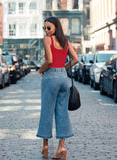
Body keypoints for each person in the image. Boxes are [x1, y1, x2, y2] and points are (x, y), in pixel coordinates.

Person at [36, 17, 79, 159]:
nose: (46, 31)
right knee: (62, 112)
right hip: (63, 78)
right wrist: (63, 69)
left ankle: (46, 145)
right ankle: (61, 147)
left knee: (47, 111)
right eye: (45, 28)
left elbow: (49, 60)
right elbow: (76, 59)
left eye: (49, 28)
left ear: (56, 27)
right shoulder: (65, 41)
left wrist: (41, 70)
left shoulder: (47, 40)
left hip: (51, 77)